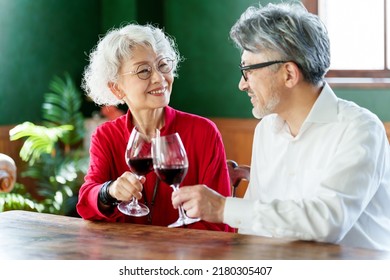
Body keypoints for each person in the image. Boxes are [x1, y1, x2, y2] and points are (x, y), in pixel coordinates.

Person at [172, 2, 390, 250]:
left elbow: (327, 222)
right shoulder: (266, 129)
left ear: (289, 74)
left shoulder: (360, 129)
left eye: (248, 70)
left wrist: (222, 208)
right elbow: (253, 229)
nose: (242, 85)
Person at [76, 23, 232, 232]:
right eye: (144, 71)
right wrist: (110, 191)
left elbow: (221, 222)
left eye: (163, 65)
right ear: (117, 88)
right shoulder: (106, 135)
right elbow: (87, 202)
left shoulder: (203, 132)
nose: (159, 78)